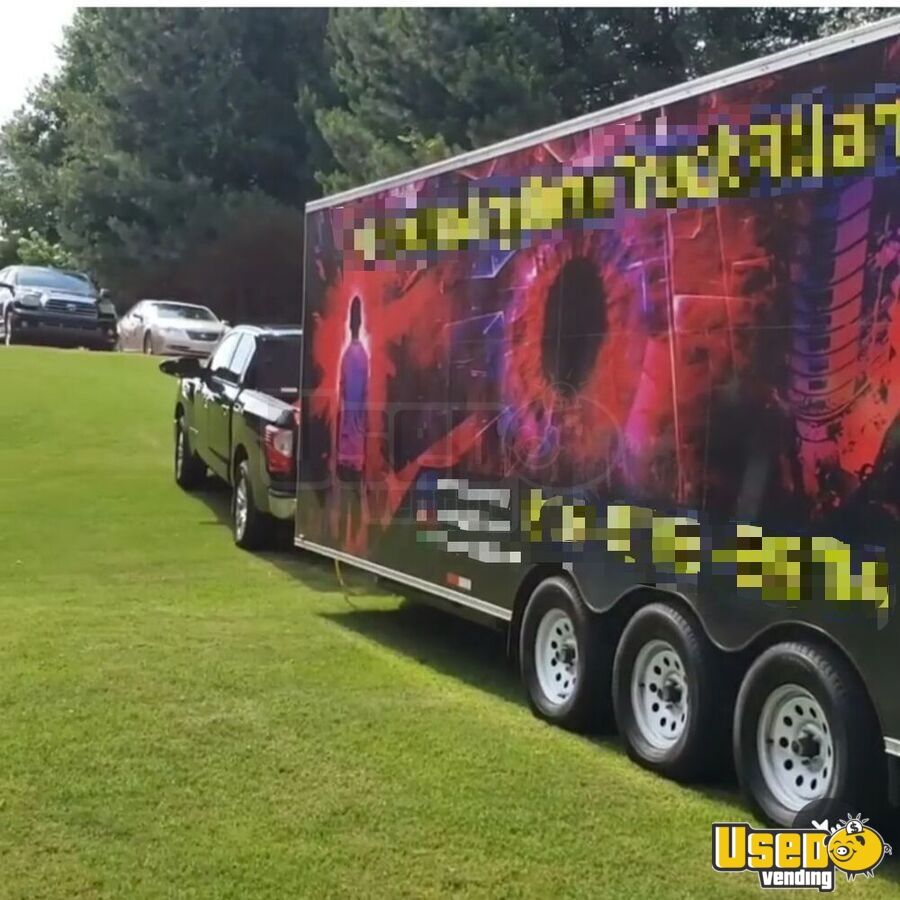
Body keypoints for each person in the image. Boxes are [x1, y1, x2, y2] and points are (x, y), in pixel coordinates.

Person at [335, 295, 369, 549]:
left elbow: (343, 392)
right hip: (358, 432)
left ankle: (344, 537)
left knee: (346, 488)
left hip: (347, 431)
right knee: (355, 488)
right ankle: (353, 536)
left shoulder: (348, 355)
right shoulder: (363, 356)